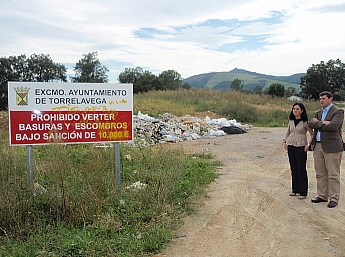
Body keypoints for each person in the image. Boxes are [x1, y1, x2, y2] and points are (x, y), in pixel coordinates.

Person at [308, 91, 344, 208]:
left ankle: (334, 198)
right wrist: (323, 123)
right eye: (320, 99)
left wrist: (318, 123)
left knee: (333, 174)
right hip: (318, 145)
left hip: (332, 146)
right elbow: (311, 125)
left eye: (323, 98)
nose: (321, 101)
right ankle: (322, 195)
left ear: (330, 99)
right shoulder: (317, 113)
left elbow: (334, 126)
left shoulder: (338, 111)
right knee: (320, 173)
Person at [283, 102, 313, 199]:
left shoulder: (305, 122)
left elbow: (312, 134)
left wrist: (308, 144)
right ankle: (295, 189)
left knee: (301, 169)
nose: (295, 111)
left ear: (302, 110)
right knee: (293, 168)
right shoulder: (291, 121)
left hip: (301, 146)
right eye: (294, 109)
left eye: (297, 109)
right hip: (291, 146)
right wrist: (285, 141)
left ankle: (303, 192)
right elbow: (288, 132)